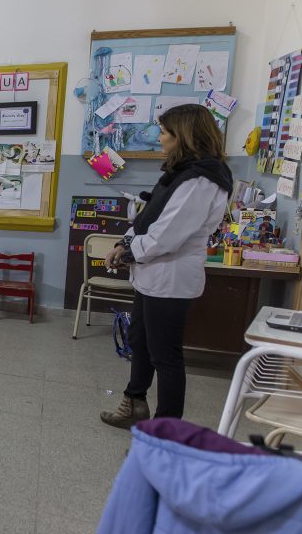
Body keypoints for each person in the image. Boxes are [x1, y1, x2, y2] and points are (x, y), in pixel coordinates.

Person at [100, 104, 232, 428]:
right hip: (151, 275)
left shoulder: (201, 180)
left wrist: (129, 252)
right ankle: (134, 404)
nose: (159, 139)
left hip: (170, 277)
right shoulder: (178, 173)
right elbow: (147, 219)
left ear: (183, 137)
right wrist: (124, 242)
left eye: (164, 133)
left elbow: (165, 237)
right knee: (140, 343)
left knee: (166, 358)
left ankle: (164, 434)